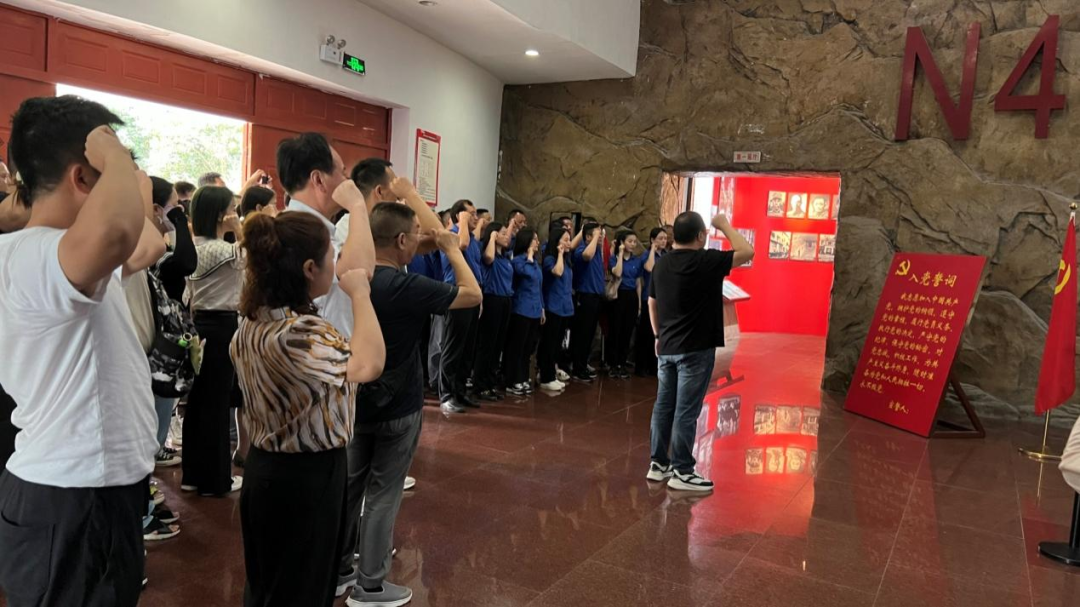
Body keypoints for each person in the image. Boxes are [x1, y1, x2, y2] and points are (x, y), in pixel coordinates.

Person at [0, 95, 162, 606]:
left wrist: (120, 173)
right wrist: (115, 159)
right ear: (82, 177)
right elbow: (116, 232)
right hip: (71, 496)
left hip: (92, 491)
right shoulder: (33, 255)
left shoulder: (67, 256)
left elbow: (145, 244)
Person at [231, 210, 384, 607]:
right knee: (302, 588)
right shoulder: (299, 333)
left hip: (267, 467)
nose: (337, 265)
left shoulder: (252, 320)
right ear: (309, 268)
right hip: (305, 476)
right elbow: (368, 364)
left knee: (270, 585)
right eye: (333, 257)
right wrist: (360, 294)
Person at [339, 202, 481, 606]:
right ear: (401, 240)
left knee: (350, 486)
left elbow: (408, 243)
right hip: (399, 403)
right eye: (415, 233)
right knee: (383, 493)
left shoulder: (355, 275)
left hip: (356, 397)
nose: (421, 238)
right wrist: (452, 249)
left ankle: (339, 568)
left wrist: (430, 237)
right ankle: (371, 585)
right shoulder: (408, 286)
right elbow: (472, 294)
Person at [647, 212, 753, 491]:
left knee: (663, 406)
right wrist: (724, 224)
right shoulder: (707, 261)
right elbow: (747, 251)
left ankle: (658, 464)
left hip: (666, 346)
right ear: (700, 236)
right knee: (686, 410)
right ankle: (682, 470)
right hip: (695, 349)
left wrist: (657, 335)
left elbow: (651, 303)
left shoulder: (662, 263)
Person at [183, 185, 244, 497]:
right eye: (232, 208)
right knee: (217, 406)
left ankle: (192, 475)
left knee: (197, 403)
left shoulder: (192, 246)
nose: (236, 213)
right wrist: (239, 229)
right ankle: (216, 481)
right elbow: (258, 259)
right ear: (222, 214)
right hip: (222, 326)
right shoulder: (225, 250)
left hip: (198, 325)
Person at [438, 199, 484, 414]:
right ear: (459, 215)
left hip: (472, 297)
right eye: (471, 214)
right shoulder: (452, 235)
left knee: (467, 349)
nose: (476, 218)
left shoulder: (473, 239)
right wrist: (463, 222)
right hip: (456, 295)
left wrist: (480, 300)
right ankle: (446, 395)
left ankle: (460, 391)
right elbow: (461, 245)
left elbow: (476, 270)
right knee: (453, 348)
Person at [473, 221, 513, 400]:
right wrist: (491, 238)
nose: (507, 236)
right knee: (487, 345)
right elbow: (488, 257)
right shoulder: (488, 254)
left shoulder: (505, 257)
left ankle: (490, 383)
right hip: (492, 299)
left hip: (505, 300)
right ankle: (479, 385)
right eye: (502, 233)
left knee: (498, 345)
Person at [503, 228, 544, 395]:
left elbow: (539, 286)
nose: (538, 243)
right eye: (534, 239)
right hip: (521, 309)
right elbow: (525, 274)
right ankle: (512, 379)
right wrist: (529, 257)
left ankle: (523, 377)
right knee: (517, 347)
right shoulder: (519, 261)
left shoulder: (535, 263)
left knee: (528, 347)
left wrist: (542, 308)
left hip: (535, 310)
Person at [607, 229, 645, 378]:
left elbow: (638, 283)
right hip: (618, 296)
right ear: (622, 242)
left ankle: (621, 364)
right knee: (615, 330)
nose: (633, 244)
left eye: (635, 241)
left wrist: (639, 303)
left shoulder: (637, 260)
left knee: (627, 332)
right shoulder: (614, 258)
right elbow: (617, 273)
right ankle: (612, 364)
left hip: (632, 297)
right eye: (630, 241)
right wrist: (621, 253)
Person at [570, 222, 605, 382]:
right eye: (597, 234)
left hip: (596, 296)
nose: (601, 237)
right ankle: (577, 367)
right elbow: (587, 256)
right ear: (589, 237)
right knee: (582, 334)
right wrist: (595, 236)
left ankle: (583, 363)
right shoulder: (581, 249)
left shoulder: (597, 250)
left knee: (590, 333)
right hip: (585, 296)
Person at [539, 227, 573, 391]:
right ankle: (546, 377)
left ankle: (551, 373)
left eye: (569, 239)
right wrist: (560, 253)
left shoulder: (567, 260)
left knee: (557, 345)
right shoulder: (550, 259)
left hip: (564, 307)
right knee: (549, 344)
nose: (568, 243)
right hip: (552, 306)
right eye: (565, 240)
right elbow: (557, 272)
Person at [635, 227, 668, 376]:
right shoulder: (646, 255)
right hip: (648, 298)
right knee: (645, 334)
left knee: (657, 334)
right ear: (652, 240)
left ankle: (654, 366)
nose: (663, 241)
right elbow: (650, 268)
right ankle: (641, 366)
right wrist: (653, 250)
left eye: (665, 238)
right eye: (660, 238)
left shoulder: (666, 255)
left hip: (663, 299)